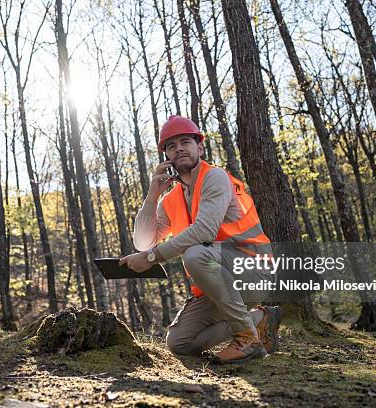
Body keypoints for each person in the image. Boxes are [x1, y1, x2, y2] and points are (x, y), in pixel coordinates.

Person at [119, 115, 282, 364]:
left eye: (185, 142)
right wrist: (152, 195)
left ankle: (247, 337)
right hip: (216, 280)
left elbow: (204, 231)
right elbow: (143, 242)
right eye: (171, 146)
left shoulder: (214, 177)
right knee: (179, 343)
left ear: (200, 147)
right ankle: (260, 321)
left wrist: (152, 258)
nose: (179, 148)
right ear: (167, 156)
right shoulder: (171, 199)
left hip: (252, 270)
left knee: (196, 254)